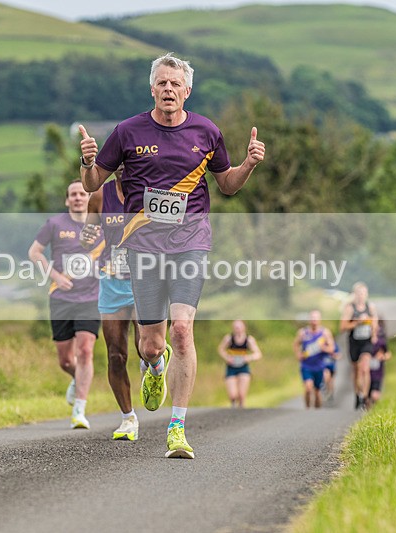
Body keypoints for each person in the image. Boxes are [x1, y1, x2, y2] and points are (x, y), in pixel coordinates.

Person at [78, 52, 265, 459]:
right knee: (149, 343)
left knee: (182, 330)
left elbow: (228, 185)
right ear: (152, 89)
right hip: (143, 248)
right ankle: (155, 364)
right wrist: (88, 161)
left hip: (191, 242)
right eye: (161, 83)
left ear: (187, 91)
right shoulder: (127, 132)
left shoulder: (206, 131)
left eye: (175, 84)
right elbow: (94, 182)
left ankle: (177, 428)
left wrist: (248, 164)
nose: (168, 90)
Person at [28, 180, 103, 430]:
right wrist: (56, 277)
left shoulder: (100, 226)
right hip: (60, 298)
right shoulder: (55, 224)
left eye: (82, 194)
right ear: (67, 200)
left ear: (88, 198)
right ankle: (76, 379)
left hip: (91, 298)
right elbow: (34, 253)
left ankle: (80, 409)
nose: (78, 198)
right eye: (73, 194)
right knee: (66, 361)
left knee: (85, 351)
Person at [80, 164, 145, 441]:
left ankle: (153, 365)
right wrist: (86, 238)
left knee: (147, 347)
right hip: (112, 279)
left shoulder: (148, 191)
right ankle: (128, 418)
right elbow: (88, 236)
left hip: (146, 277)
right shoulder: (99, 196)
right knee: (116, 354)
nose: (121, 164)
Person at [339, 282, 378, 410]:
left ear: (366, 294)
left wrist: (373, 334)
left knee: (364, 368)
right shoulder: (350, 308)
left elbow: (375, 323)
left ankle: (365, 397)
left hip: (366, 342)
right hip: (354, 342)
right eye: (359, 294)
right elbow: (343, 327)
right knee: (356, 371)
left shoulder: (370, 307)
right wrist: (356, 323)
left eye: (363, 293)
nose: (361, 296)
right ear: (355, 295)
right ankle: (357, 395)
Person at [293, 310, 336, 409]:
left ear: (320, 320)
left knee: (317, 391)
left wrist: (323, 348)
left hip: (319, 366)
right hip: (306, 365)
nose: (314, 321)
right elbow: (295, 344)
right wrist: (298, 354)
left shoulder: (325, 333)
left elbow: (332, 348)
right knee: (308, 387)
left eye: (316, 319)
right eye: (312, 319)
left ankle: (316, 413)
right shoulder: (303, 333)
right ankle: (307, 409)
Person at [217, 320, 262, 408]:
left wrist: (248, 358)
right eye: (235, 327)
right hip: (231, 367)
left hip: (243, 367)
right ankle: (233, 405)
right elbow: (220, 349)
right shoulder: (229, 338)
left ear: (244, 327)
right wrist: (227, 357)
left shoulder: (249, 339)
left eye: (239, 327)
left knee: (241, 395)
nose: (237, 329)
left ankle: (241, 409)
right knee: (233, 395)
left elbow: (258, 354)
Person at [366, 318, 391, 409]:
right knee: (367, 397)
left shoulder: (381, 341)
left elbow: (388, 353)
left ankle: (374, 411)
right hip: (367, 373)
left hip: (377, 372)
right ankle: (366, 412)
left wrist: (382, 357)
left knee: (375, 395)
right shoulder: (365, 340)